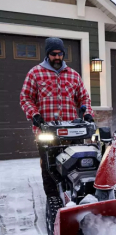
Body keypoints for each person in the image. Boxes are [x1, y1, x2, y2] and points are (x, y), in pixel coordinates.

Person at [20, 37, 94, 199]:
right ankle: (53, 201)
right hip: (48, 132)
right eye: (53, 54)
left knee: (76, 165)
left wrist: (87, 112)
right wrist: (35, 115)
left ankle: (79, 196)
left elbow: (84, 98)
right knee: (50, 169)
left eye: (60, 54)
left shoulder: (73, 75)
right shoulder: (35, 73)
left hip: (73, 132)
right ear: (47, 54)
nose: (57, 57)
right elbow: (25, 98)